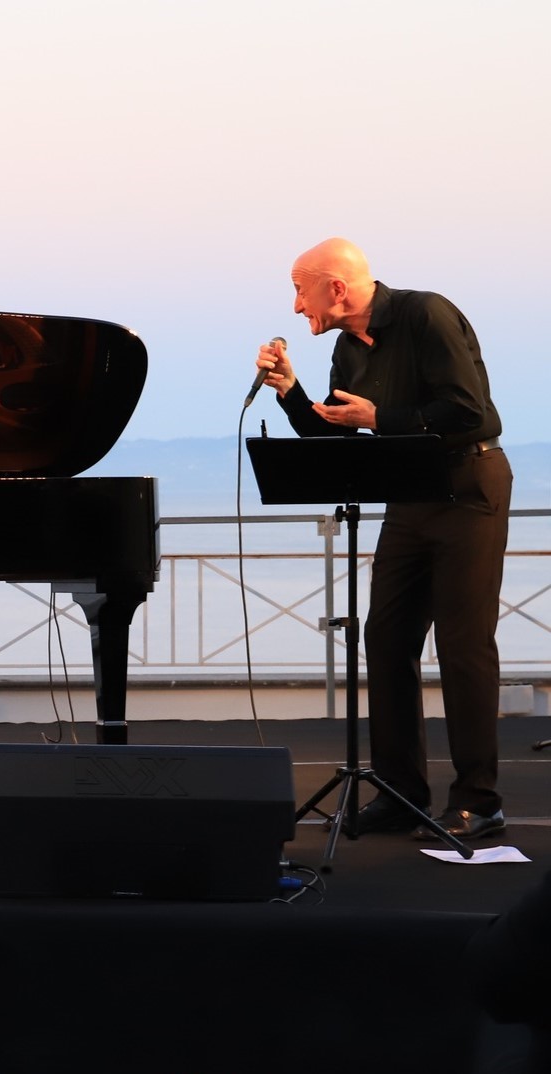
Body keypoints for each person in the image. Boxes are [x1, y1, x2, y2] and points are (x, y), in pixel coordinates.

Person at [253, 237, 512, 841]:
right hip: (409, 491)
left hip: (468, 484)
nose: (296, 306)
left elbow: (468, 410)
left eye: (300, 290)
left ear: (336, 288)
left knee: (463, 643)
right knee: (387, 638)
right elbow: (335, 436)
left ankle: (480, 800)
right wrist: (291, 391)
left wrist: (380, 419)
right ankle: (400, 793)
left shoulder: (427, 314)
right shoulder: (347, 347)